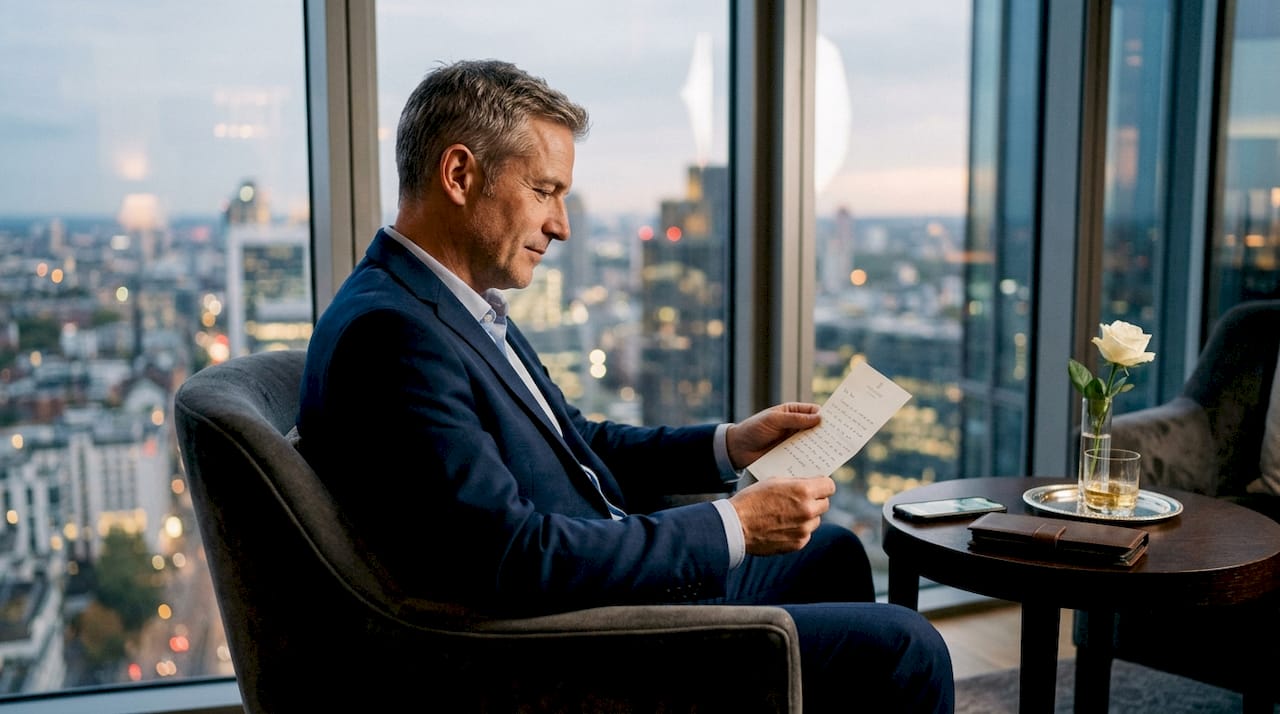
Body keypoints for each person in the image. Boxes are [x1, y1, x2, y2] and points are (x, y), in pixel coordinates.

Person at [297, 58, 954, 713]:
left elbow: (575, 441)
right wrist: (733, 523)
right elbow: (512, 558)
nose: (561, 225)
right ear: (460, 174)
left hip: (604, 573)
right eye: (544, 191)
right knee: (907, 647)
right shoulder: (393, 336)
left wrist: (729, 445)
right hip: (580, 637)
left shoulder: (448, 306)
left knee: (833, 551)